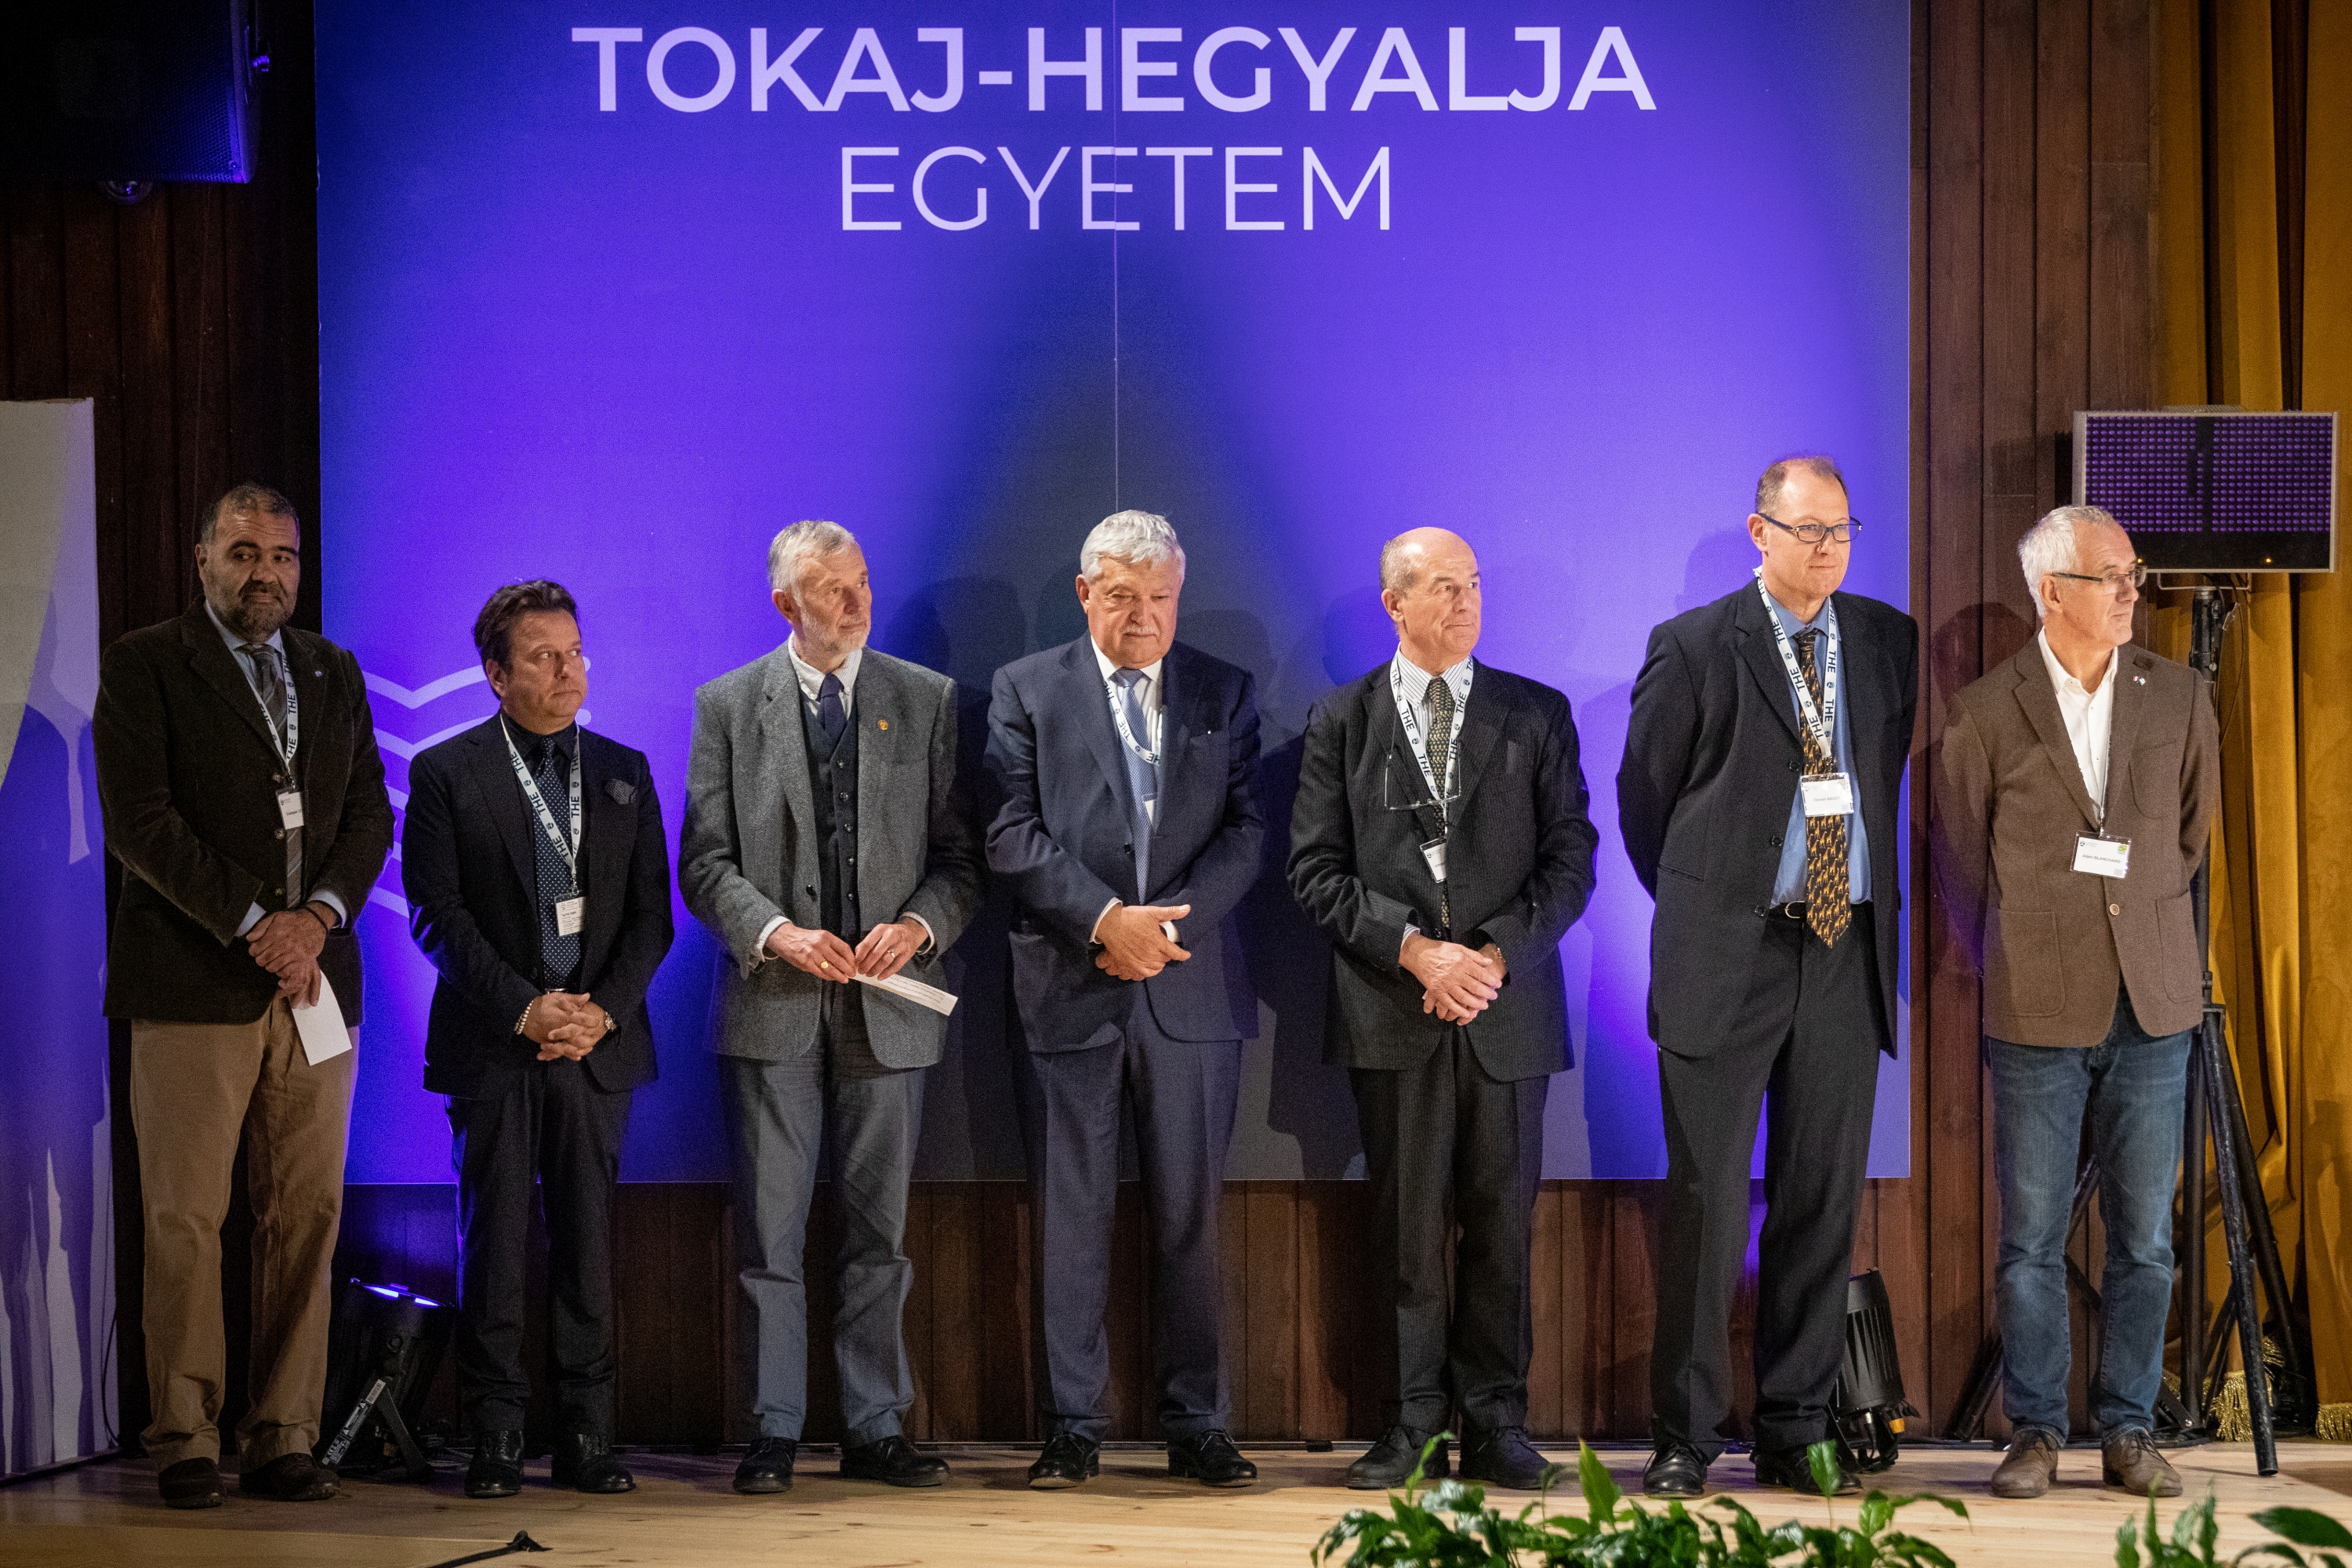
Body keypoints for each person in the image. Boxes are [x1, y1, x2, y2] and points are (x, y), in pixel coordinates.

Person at [1618, 456, 1917, 1497]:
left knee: (1818, 1201)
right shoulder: (1696, 645)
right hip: (1727, 958)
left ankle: (1796, 1428)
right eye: (1808, 530)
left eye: (1842, 530)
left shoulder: (1885, 640)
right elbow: (1647, 806)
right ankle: (1686, 1435)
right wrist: (1714, 906)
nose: (1828, 549)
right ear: (1760, 532)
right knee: (1705, 1203)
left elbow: (1880, 779)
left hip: (1844, 948)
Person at [93, 483, 394, 1509]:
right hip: (193, 981)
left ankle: (283, 1436)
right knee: (186, 1215)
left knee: (307, 1214)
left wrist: (317, 918)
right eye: (244, 553)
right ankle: (184, 1436)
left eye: (283, 556)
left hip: (316, 983)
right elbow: (142, 823)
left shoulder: (331, 668)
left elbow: (367, 815)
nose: (265, 573)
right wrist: (258, 922)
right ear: (203, 559)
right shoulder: (145, 664)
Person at [1288, 528, 1597, 1491]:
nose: (1465, 603)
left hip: (1507, 1012)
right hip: (1394, 1011)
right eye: (1443, 587)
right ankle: (1411, 1423)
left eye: (1472, 586)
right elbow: (1314, 870)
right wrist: (1416, 951)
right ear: (1395, 603)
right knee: (1406, 1232)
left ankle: (1497, 1423)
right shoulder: (1341, 719)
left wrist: (1493, 955)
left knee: (1502, 1231)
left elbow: (1572, 859)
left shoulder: (1534, 713)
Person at [681, 521, 983, 1494]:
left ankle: (874, 1424)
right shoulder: (729, 705)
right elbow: (704, 863)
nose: (855, 604)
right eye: (831, 590)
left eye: (861, 583)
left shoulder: (924, 699)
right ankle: (772, 1428)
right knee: (770, 1235)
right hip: (773, 1001)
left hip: (889, 1009)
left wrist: (919, 925)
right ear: (785, 604)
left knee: (878, 1233)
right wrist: (777, 932)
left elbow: (961, 859)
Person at [1933, 505, 2217, 1499]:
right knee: (2032, 1240)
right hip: (2035, 1004)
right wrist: (2020, 954)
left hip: (2154, 1002)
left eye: (2133, 571)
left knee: (2146, 1238)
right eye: (2112, 575)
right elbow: (1961, 867)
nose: (2133, 589)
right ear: (2052, 591)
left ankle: (2130, 1427)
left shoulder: (2179, 694)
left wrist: (2137, 927)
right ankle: (2037, 1429)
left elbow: (2189, 840)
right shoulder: (1983, 710)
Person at [985, 510, 1264, 1490]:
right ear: (1084, 593)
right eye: (1122, 597)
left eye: (1160, 598)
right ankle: (1072, 1425)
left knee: (1192, 1217)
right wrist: (1106, 919)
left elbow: (1246, 832)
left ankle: (1200, 1423)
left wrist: (1164, 932)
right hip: (1070, 984)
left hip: (1190, 993)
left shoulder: (1224, 690)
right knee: (1071, 1218)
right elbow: (1009, 830)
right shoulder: (1027, 689)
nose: (1144, 616)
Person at [402, 581, 674, 1497]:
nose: (569, 670)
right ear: (496, 673)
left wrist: (601, 1011)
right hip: (495, 1045)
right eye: (544, 656)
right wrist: (527, 1008)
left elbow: (652, 917)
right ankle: (495, 1434)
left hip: (597, 1048)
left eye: (576, 651)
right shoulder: (447, 772)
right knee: (493, 1245)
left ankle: (588, 1434)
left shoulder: (624, 769)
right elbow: (437, 916)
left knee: (587, 1247)